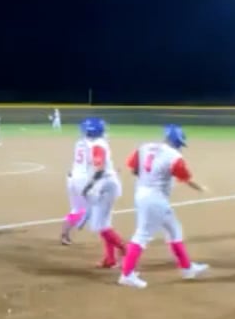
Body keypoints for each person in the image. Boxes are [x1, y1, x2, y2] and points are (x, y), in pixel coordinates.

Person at [117, 124, 210, 288]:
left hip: (143, 194)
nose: (180, 147)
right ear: (176, 141)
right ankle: (126, 275)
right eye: (179, 143)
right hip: (155, 200)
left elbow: (133, 169)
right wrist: (201, 188)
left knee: (174, 230)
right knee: (142, 236)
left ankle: (187, 269)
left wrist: (150, 177)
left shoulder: (145, 147)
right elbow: (186, 179)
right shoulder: (174, 156)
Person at [64, 117, 128, 267]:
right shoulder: (96, 143)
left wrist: (88, 186)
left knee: (99, 225)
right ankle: (110, 259)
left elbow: (99, 169)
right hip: (105, 184)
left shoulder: (96, 145)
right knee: (104, 223)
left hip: (106, 187)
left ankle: (125, 248)